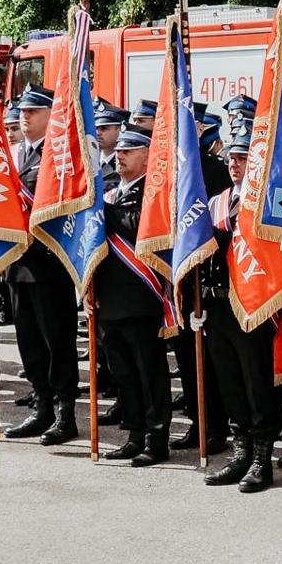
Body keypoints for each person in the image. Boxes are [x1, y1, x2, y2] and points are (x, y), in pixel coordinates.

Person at [200, 130, 282, 490]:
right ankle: (241, 452)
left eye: (242, 158)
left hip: (253, 304)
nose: (234, 165)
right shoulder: (217, 203)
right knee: (230, 381)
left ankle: (262, 459)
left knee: (257, 382)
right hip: (218, 303)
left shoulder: (265, 203)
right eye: (231, 159)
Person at [90, 126, 172, 467]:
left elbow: (137, 226)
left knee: (149, 372)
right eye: (119, 150)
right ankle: (134, 433)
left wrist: (96, 204)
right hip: (109, 298)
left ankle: (156, 438)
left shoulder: (154, 191)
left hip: (141, 297)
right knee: (123, 372)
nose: (120, 155)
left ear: (148, 156)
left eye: (129, 150)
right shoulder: (110, 193)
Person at [4, 84, 81, 446]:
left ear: (53, 115)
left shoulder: (59, 157)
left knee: (56, 342)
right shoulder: (12, 155)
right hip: (17, 264)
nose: (25, 116)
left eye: (33, 111)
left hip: (50, 265)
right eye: (22, 111)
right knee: (29, 342)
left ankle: (65, 413)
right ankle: (42, 407)